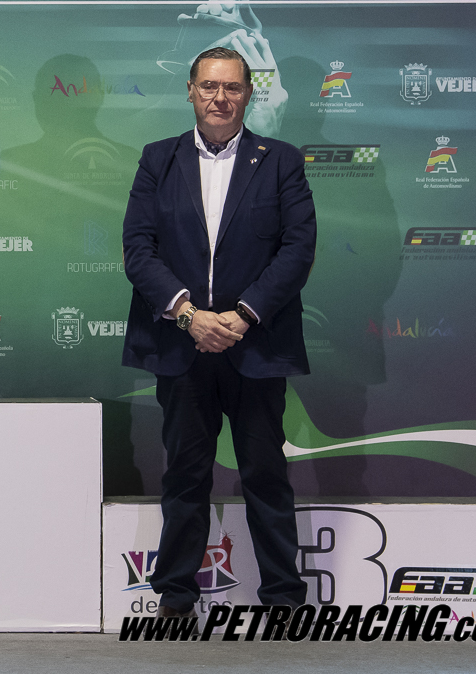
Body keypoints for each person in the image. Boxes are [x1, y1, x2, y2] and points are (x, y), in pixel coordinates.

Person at [121, 47, 316, 617]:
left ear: (249, 93)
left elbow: (297, 248)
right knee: (184, 476)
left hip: (255, 344)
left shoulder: (280, 161)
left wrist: (244, 314)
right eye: (209, 86)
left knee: (266, 475)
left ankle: (283, 599)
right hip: (183, 346)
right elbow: (138, 248)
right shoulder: (158, 159)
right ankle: (176, 598)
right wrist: (189, 316)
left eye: (232, 87)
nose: (220, 98)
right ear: (190, 91)